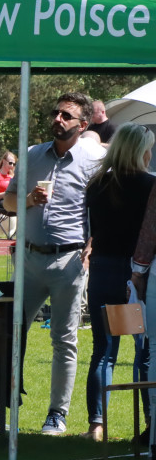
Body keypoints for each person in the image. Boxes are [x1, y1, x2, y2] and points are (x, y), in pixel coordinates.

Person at [4, 91, 105, 435]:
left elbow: (102, 210)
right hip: (30, 259)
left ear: (83, 124)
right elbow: (6, 202)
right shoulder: (32, 154)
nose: (57, 119)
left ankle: (56, 414)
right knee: (13, 332)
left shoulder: (94, 158)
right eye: (55, 113)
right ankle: (4, 404)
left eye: (66, 115)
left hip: (70, 262)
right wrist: (28, 199)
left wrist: (92, 246)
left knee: (64, 340)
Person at [82, 124, 155, 442]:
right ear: (142, 151)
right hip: (137, 276)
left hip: (103, 270)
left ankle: (96, 424)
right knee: (144, 352)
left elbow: (93, 229)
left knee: (104, 352)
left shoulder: (97, 184)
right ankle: (151, 423)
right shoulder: (150, 185)